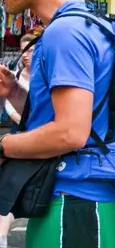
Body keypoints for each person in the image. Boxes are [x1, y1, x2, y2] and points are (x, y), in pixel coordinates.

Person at [0, 0, 115, 247]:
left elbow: (70, 132)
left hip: (74, 204)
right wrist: (16, 92)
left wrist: (3, 146)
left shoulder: (63, 34)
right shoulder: (80, 23)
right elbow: (76, 112)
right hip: (72, 201)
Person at [0, 28, 40, 248]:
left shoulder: (45, 75)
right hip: (20, 133)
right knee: (10, 183)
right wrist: (17, 117)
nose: (26, 54)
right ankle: (2, 236)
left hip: (39, 136)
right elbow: (7, 103)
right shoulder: (14, 76)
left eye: (31, 49)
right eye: (23, 50)